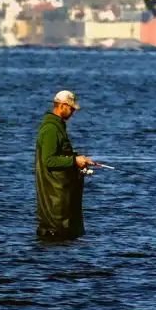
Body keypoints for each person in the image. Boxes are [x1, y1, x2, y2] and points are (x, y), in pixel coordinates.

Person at [35, 90, 95, 241]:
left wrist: (78, 159)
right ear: (62, 106)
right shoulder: (50, 129)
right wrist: (75, 161)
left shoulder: (58, 126)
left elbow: (61, 154)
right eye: (72, 108)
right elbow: (49, 160)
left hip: (61, 195)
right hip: (54, 197)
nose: (73, 112)